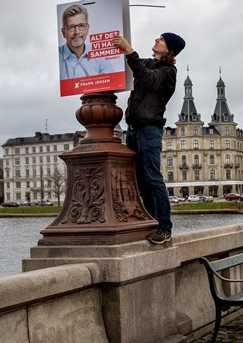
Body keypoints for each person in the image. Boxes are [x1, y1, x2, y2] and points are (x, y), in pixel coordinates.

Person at [111, 32, 186, 244]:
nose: (156, 40)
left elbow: (145, 77)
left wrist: (130, 50)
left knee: (153, 178)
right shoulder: (149, 63)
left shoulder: (168, 72)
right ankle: (152, 222)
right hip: (133, 129)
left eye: (161, 39)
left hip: (149, 130)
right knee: (141, 182)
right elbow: (132, 65)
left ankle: (164, 228)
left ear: (170, 49)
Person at [59, 4, 114, 80]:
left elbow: (111, 81)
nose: (77, 32)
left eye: (81, 26)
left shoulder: (100, 55)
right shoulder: (55, 57)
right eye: (71, 27)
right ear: (63, 32)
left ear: (87, 29)